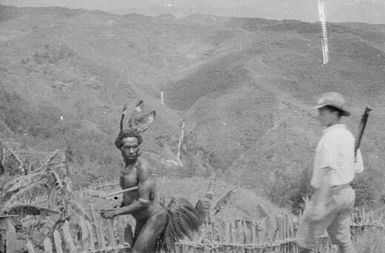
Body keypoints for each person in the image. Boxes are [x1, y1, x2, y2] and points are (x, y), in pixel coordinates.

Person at [100, 128, 202, 253]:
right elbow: (131, 195)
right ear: (120, 148)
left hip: (154, 218)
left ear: (138, 147)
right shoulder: (125, 169)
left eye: (134, 146)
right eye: (127, 147)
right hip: (141, 219)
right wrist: (120, 203)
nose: (131, 151)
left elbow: (144, 201)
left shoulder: (142, 168)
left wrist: (116, 212)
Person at [296, 92, 364, 253]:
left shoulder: (329, 138)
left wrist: (320, 204)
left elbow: (327, 172)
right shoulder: (348, 137)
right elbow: (358, 168)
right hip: (346, 194)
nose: (319, 115)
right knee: (343, 242)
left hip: (329, 195)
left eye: (323, 112)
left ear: (335, 114)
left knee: (304, 242)